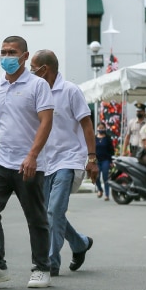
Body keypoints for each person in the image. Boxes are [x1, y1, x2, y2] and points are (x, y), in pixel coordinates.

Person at [0, 36, 54, 288]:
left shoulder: (38, 86)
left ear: (25, 56)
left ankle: (41, 268)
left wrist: (32, 155)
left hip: (29, 163)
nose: (7, 57)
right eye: (3, 52)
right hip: (0, 161)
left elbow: (46, 121)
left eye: (12, 52)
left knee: (35, 217)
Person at [30, 50, 98, 276]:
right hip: (45, 162)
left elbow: (87, 124)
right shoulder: (36, 92)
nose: (31, 72)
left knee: (54, 210)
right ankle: (79, 244)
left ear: (44, 69)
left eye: (33, 67)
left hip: (68, 159)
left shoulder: (70, 90)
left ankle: (50, 262)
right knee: (51, 213)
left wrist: (92, 158)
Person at [93, 123, 115, 200]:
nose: (101, 129)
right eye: (99, 128)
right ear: (97, 128)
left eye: (102, 128)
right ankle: (100, 189)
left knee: (105, 177)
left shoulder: (108, 138)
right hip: (97, 161)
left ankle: (107, 194)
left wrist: (111, 161)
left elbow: (111, 151)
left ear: (105, 129)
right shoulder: (94, 138)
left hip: (106, 160)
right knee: (96, 177)